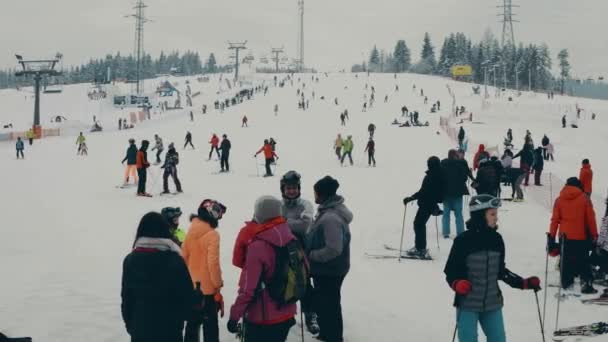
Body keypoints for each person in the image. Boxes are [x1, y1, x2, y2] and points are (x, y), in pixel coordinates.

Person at [444, 195, 541, 342]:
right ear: (479, 216)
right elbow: (450, 271)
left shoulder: (497, 240)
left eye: (496, 214)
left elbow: (500, 271)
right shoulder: (463, 241)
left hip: (492, 303)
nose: (496, 218)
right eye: (492, 214)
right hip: (468, 303)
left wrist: (523, 283)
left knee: (498, 339)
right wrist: (456, 283)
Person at [228, 196, 297, 341]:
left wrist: (234, 316)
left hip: (263, 318)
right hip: (287, 311)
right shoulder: (291, 237)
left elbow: (248, 289)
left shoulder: (257, 246)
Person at [121, 212, 194, 342]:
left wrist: (131, 326)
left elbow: (127, 298)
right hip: (170, 331)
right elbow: (187, 299)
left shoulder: (130, 261)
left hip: (140, 330)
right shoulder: (175, 261)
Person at [306, 176, 353, 342]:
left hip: (329, 270)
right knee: (327, 303)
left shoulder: (330, 218)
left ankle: (332, 337)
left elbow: (333, 248)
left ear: (322, 194)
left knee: (329, 305)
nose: (314, 195)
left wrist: (311, 255)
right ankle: (327, 333)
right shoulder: (329, 211)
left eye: (316, 192)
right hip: (331, 268)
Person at [278, 171, 319, 334]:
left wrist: (284, 222)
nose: (291, 191)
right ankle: (286, 315)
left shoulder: (306, 205)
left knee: (305, 284)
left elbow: (304, 226)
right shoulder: (278, 205)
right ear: (283, 189)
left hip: (303, 251)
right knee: (285, 282)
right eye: (288, 188)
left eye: (294, 188)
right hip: (282, 251)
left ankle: (310, 315)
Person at [183, 199, 227, 342]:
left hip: (191, 288)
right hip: (208, 291)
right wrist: (217, 286)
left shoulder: (190, 231)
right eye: (218, 213)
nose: (219, 217)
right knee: (210, 328)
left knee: (192, 325)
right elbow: (212, 263)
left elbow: (183, 258)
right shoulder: (213, 235)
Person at [548, 177, 598, 293]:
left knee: (565, 260)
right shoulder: (585, 199)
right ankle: (586, 283)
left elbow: (554, 220)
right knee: (584, 260)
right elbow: (591, 219)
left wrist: (551, 237)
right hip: (581, 237)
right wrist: (595, 235)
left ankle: (566, 282)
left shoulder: (559, 199)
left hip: (564, 237)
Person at [403, 156, 444, 258]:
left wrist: (411, 198)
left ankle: (420, 249)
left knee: (418, 224)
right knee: (419, 224)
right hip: (431, 203)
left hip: (426, 204)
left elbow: (423, 192)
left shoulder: (430, 176)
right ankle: (420, 247)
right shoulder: (440, 174)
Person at [441, 150, 473, 238]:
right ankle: (460, 232)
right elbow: (464, 178)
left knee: (446, 214)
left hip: (446, 193)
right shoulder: (460, 165)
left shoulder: (443, 164)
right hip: (458, 193)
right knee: (458, 214)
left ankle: (445, 232)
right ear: (455, 156)